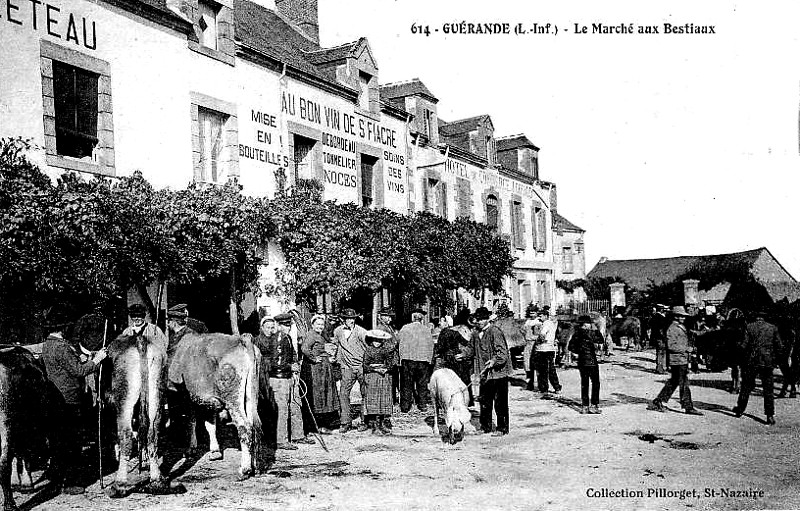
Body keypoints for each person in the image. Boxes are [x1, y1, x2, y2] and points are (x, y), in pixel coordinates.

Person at [41, 312, 107, 495]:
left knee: (58, 441)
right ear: (63, 328)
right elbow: (78, 371)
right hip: (68, 400)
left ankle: (56, 476)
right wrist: (96, 360)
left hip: (55, 399)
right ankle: (70, 482)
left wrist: (82, 360)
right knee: (71, 443)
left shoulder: (48, 345)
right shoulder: (62, 347)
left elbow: (67, 366)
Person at [262, 312, 315, 449]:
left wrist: (294, 366)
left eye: (289, 325)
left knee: (296, 405)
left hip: (289, 376)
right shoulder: (278, 338)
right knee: (283, 409)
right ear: (278, 325)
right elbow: (275, 363)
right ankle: (281, 440)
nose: (288, 328)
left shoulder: (286, 338)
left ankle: (298, 435)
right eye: (285, 325)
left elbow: (291, 356)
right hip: (280, 379)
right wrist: (291, 366)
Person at [648, 306, 702, 415]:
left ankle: (658, 401)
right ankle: (688, 406)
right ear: (676, 317)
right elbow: (671, 346)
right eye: (681, 316)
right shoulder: (672, 329)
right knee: (683, 383)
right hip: (677, 360)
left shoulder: (679, 326)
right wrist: (687, 349)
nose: (684, 318)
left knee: (674, 382)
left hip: (681, 359)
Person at [733, 310, 782, 425]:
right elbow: (779, 346)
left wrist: (738, 346)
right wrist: (773, 358)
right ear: (765, 317)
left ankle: (740, 409)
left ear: (755, 317)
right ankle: (770, 416)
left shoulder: (749, 327)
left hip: (752, 361)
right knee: (768, 389)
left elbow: (744, 345)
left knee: (746, 386)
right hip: (767, 362)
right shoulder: (773, 328)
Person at [471, 307, 511, 436]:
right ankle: (485, 426)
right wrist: (462, 354)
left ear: (487, 319)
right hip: (484, 375)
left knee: (500, 403)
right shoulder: (476, 334)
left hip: (498, 374)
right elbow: (470, 349)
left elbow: (503, 353)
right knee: (485, 402)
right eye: (478, 319)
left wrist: (494, 361)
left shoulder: (495, 332)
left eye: (482, 319)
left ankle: (502, 428)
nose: (479, 321)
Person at [300, 314, 341, 434]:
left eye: (322, 324)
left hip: (323, 369)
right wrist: (314, 358)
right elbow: (304, 348)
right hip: (316, 370)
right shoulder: (311, 335)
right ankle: (318, 425)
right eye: (317, 324)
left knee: (324, 395)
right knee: (319, 396)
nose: (320, 326)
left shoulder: (319, 335)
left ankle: (324, 423)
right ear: (312, 325)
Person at [332, 308, 369, 433]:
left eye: (352, 319)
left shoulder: (362, 332)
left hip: (361, 366)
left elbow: (368, 348)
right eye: (348, 319)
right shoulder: (338, 331)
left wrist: (366, 364)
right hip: (347, 367)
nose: (350, 321)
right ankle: (345, 422)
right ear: (343, 319)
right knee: (343, 394)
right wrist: (337, 360)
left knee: (365, 393)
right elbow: (335, 345)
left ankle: (365, 421)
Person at [397, 308, 435, 413]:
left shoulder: (405, 328)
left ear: (413, 318)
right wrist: (430, 359)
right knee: (422, 383)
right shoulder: (426, 330)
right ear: (421, 319)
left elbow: (398, 341)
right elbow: (431, 345)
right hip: (422, 360)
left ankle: (405, 406)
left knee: (406, 383)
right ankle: (422, 404)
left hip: (407, 359)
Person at [434, 308, 475, 403]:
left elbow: (440, 347)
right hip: (457, 357)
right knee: (463, 377)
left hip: (448, 358)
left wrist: (437, 353)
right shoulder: (456, 332)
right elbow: (466, 342)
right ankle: (468, 399)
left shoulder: (444, 332)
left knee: (449, 379)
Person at [362, 329, 397, 435]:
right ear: (371, 340)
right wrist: (375, 369)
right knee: (374, 400)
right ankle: (375, 426)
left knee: (383, 400)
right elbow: (365, 365)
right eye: (375, 340)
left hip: (383, 377)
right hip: (372, 377)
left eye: (379, 340)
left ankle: (382, 424)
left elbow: (391, 363)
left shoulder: (385, 350)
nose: (377, 342)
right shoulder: (368, 350)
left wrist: (386, 369)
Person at [569, 315, 603, 414]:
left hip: (582, 361)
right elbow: (601, 340)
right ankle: (594, 405)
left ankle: (585, 406)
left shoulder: (576, 334)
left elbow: (571, 347)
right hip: (592, 361)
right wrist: (596, 329)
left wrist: (578, 352)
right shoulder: (592, 333)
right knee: (595, 383)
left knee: (585, 383)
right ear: (586, 324)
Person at [535, 308, 562, 398]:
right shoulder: (550, 323)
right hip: (549, 348)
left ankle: (544, 389)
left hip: (544, 349)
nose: (540, 317)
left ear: (546, 316)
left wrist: (539, 340)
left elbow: (542, 334)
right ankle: (556, 387)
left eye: (541, 316)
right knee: (551, 369)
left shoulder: (546, 323)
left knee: (543, 370)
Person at [523, 307, 542, 391]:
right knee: (527, 364)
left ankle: (540, 385)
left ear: (536, 313)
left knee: (537, 364)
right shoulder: (527, 322)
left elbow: (539, 334)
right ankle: (529, 384)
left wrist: (532, 337)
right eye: (530, 313)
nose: (532, 315)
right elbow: (523, 331)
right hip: (528, 344)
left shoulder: (538, 322)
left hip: (536, 344)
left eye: (533, 313)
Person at [650, 305, 669, 374]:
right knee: (662, 353)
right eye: (663, 309)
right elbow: (661, 329)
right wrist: (665, 338)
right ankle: (660, 369)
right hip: (661, 338)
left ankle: (659, 368)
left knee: (659, 353)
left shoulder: (654, 317)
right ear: (661, 310)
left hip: (655, 337)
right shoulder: (661, 318)